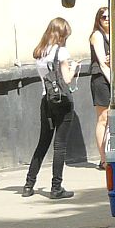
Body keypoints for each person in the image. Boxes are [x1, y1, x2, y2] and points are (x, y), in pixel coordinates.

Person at [23, 17, 77, 200]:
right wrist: (75, 67)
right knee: (59, 146)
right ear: (61, 34)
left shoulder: (40, 53)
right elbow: (67, 79)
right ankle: (56, 187)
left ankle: (28, 184)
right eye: (65, 35)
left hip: (46, 101)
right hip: (62, 101)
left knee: (43, 142)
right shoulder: (61, 52)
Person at [89, 7, 112, 170]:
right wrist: (113, 82)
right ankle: (103, 158)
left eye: (109, 16)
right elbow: (102, 63)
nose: (107, 19)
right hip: (102, 79)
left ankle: (110, 154)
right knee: (103, 118)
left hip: (112, 77)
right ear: (98, 19)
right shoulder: (97, 36)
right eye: (103, 17)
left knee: (112, 118)